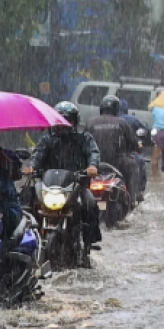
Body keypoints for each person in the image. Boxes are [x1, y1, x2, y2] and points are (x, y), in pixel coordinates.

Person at [23, 101, 102, 250]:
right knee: (26, 196)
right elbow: (37, 155)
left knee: (90, 203)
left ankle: (88, 243)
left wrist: (92, 166)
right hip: (49, 187)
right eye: (60, 121)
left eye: (68, 121)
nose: (63, 125)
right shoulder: (47, 140)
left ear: (74, 122)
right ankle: (27, 238)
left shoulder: (84, 138)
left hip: (76, 186)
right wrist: (31, 167)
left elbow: (93, 153)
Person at [86, 95, 142, 204]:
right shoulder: (121, 123)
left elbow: (84, 144)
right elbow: (133, 143)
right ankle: (131, 200)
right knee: (134, 166)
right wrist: (137, 148)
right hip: (118, 162)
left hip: (94, 164)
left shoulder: (90, 122)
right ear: (117, 109)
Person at [116, 97, 152, 199]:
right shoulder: (130, 120)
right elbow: (144, 131)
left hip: (109, 155)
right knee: (140, 163)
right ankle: (137, 192)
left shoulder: (105, 120)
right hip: (127, 154)